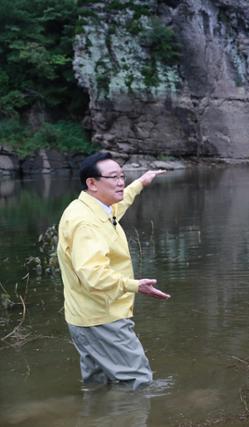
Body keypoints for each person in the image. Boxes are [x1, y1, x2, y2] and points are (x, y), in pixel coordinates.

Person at [57, 152, 170, 390]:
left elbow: (121, 202)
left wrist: (141, 182)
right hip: (102, 317)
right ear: (92, 183)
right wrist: (134, 285)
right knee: (139, 382)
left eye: (122, 176)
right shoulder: (86, 222)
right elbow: (93, 274)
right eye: (113, 177)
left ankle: (97, 417)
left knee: (98, 385)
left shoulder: (95, 208)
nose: (121, 182)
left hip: (84, 316)